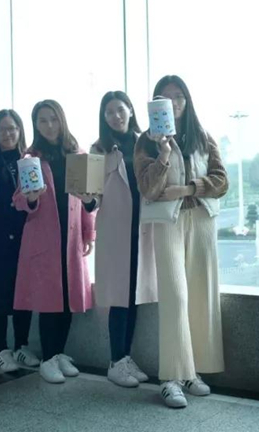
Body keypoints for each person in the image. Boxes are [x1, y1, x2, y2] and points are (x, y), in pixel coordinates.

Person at [134, 75, 229, 408]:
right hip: (169, 223)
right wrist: (163, 153)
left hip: (201, 220)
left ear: (187, 101)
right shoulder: (146, 143)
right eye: (165, 98)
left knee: (201, 295)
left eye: (178, 97)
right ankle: (171, 378)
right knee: (175, 296)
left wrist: (188, 189)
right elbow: (148, 189)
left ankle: (192, 372)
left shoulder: (202, 136)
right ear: (155, 104)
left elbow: (221, 181)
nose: (173, 103)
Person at [13, 99, 95, 384]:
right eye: (42, 120)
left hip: (71, 238)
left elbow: (89, 201)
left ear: (62, 120)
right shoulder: (30, 158)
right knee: (49, 300)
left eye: (53, 119)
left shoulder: (78, 155)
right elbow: (19, 200)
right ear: (35, 125)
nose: (49, 125)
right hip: (43, 238)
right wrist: (31, 198)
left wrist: (88, 233)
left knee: (68, 299)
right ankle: (48, 358)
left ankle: (59, 353)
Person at [91, 91, 157, 388]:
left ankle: (126, 356)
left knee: (134, 296)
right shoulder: (99, 149)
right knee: (119, 298)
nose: (115, 116)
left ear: (130, 110)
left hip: (142, 229)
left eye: (120, 109)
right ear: (103, 117)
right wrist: (87, 201)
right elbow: (93, 196)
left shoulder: (147, 142)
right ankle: (115, 361)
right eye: (109, 112)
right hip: (116, 230)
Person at [0, 109, 40, 373]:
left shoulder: (30, 160)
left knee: (23, 291)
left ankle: (21, 345)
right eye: (2, 129)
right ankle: (1, 349)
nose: (8, 133)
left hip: (26, 235)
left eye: (12, 128)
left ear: (20, 130)